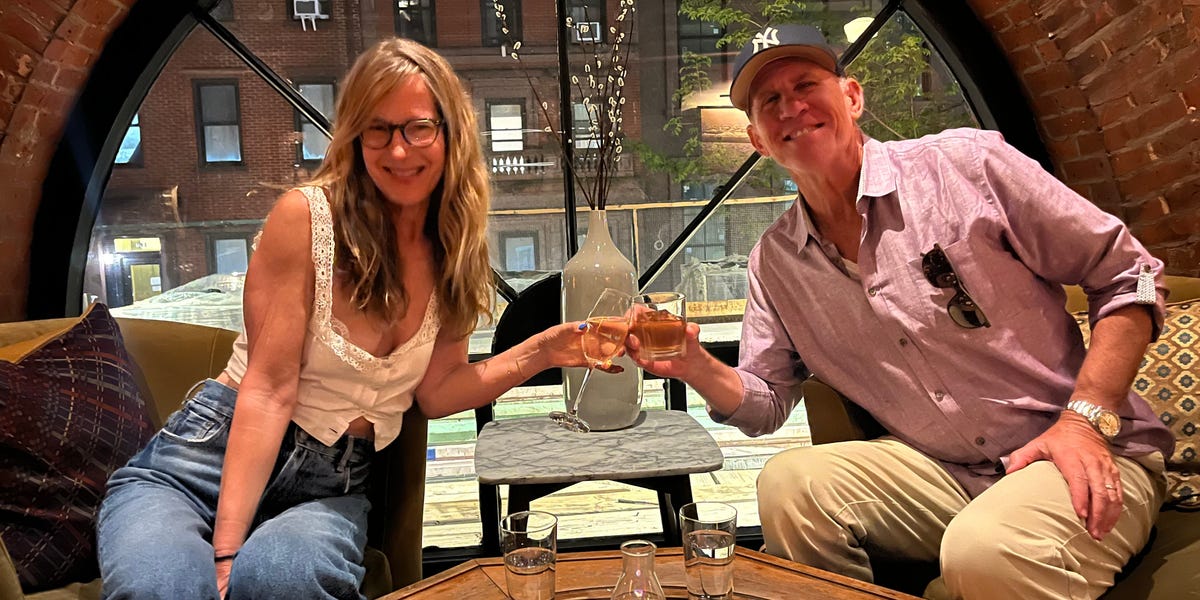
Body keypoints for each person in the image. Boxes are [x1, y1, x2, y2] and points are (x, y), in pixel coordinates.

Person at [627, 23, 1174, 600]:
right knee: (789, 485)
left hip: (1078, 451)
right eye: (769, 101)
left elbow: (1129, 275)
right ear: (757, 140)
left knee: (985, 552)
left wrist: (1084, 421)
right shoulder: (777, 261)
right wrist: (694, 365)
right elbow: (765, 403)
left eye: (806, 84)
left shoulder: (967, 167)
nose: (791, 107)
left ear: (852, 97)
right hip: (941, 473)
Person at [97, 38, 602, 600]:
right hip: (204, 463)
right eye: (377, 129)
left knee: (283, 580)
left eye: (418, 128)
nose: (398, 150)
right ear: (356, 136)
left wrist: (544, 350)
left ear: (450, 132)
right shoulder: (307, 218)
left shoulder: (454, 250)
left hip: (326, 486)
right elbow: (268, 390)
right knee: (163, 588)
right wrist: (226, 554)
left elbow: (438, 392)